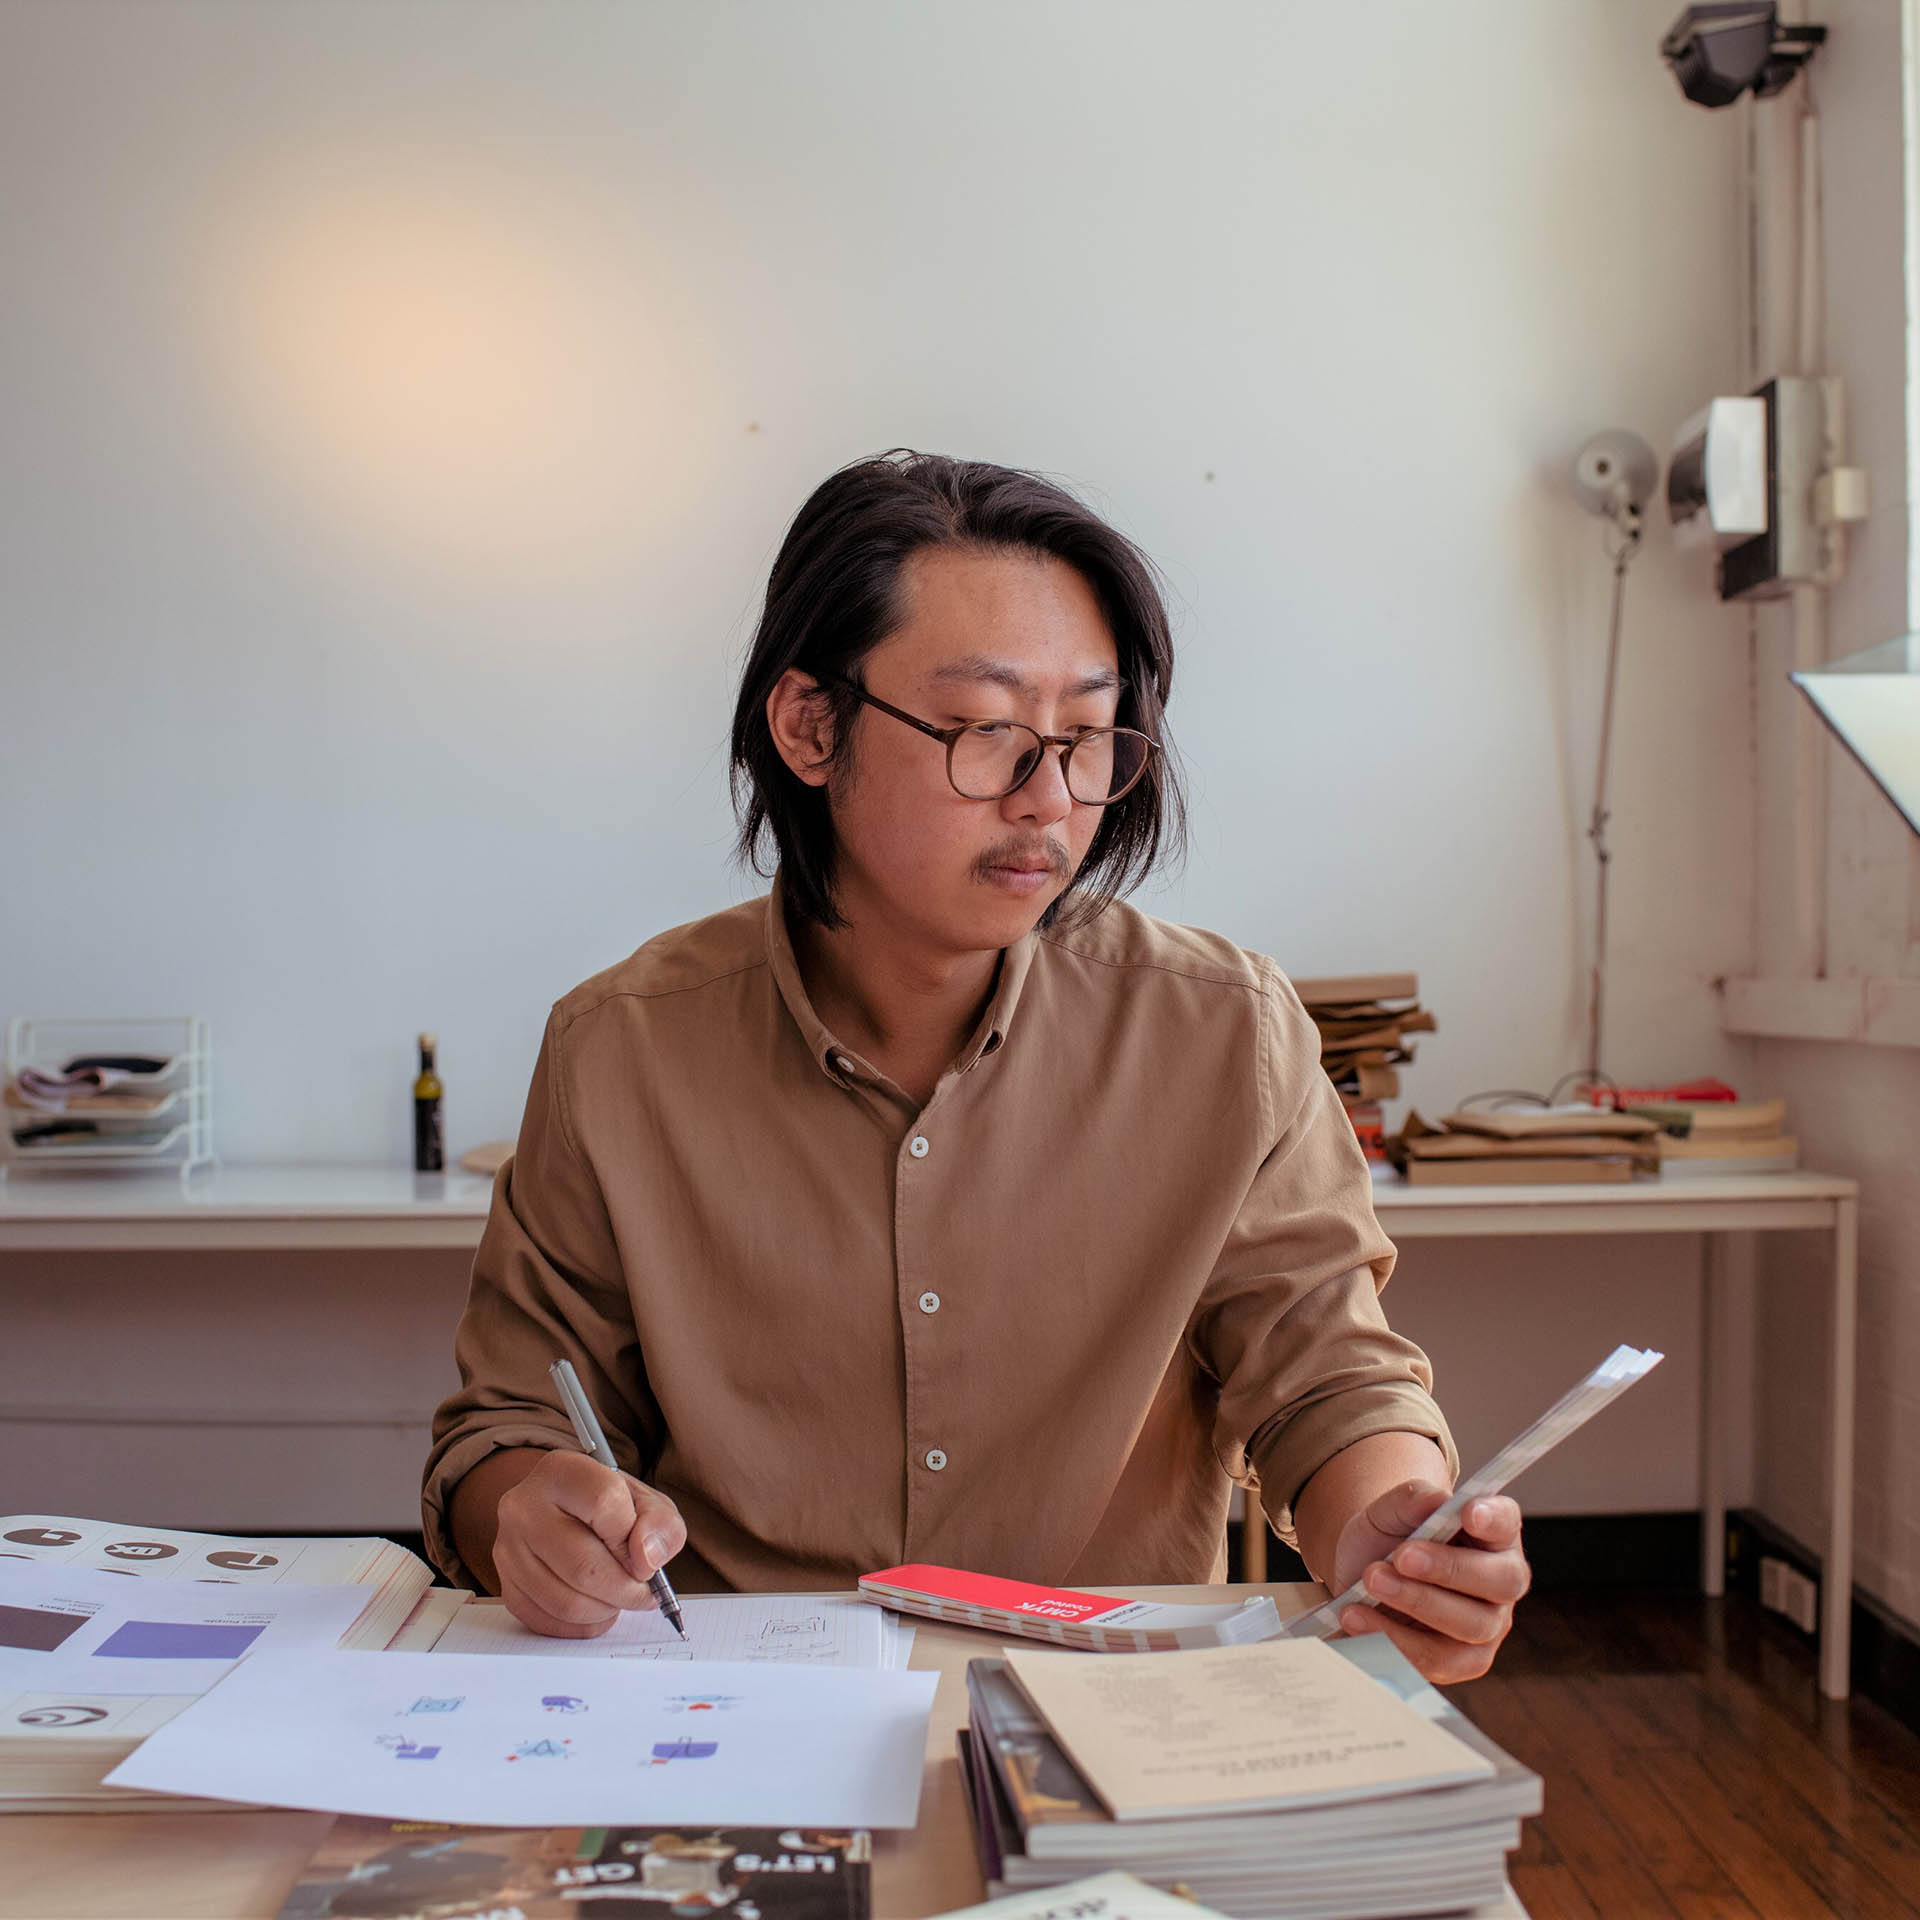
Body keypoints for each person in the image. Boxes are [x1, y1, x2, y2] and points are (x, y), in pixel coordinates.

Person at [423, 451, 1529, 1683]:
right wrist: (531, 1514)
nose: (1050, 799)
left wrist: (1387, 1515)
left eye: (1088, 737)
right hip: (728, 1706)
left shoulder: (1225, 1033)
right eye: (988, 731)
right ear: (809, 725)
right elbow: (511, 1425)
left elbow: (1324, 1374)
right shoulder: (621, 1049)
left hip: (1106, 1708)